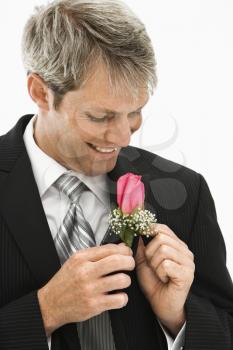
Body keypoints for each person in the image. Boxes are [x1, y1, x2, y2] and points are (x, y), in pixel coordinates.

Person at [0, 0, 232, 349]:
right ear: (40, 92)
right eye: (100, 117)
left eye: (135, 113)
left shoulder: (187, 191)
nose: (124, 138)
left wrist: (178, 317)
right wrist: (45, 311)